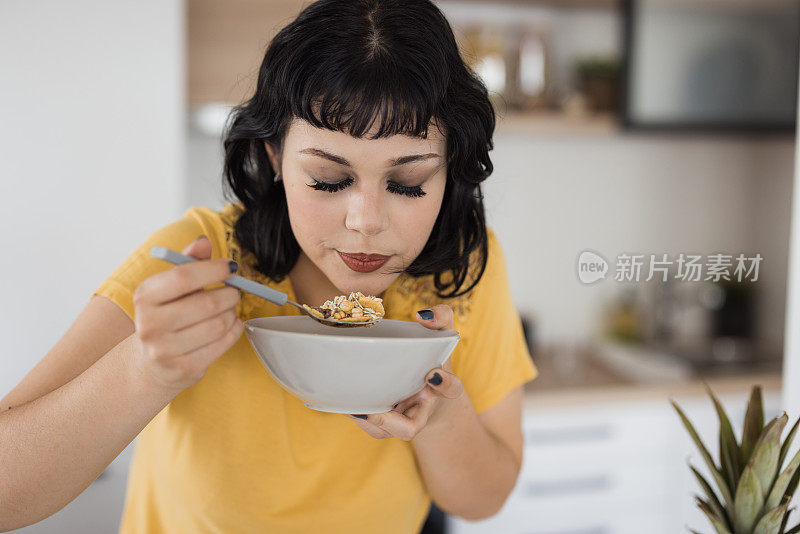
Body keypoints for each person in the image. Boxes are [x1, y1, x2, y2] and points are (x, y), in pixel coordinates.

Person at [0, 0, 538, 532]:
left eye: (408, 184)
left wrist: (440, 416)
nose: (366, 222)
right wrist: (146, 369)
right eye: (329, 180)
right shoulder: (203, 256)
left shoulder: (463, 272)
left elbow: (482, 500)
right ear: (277, 157)